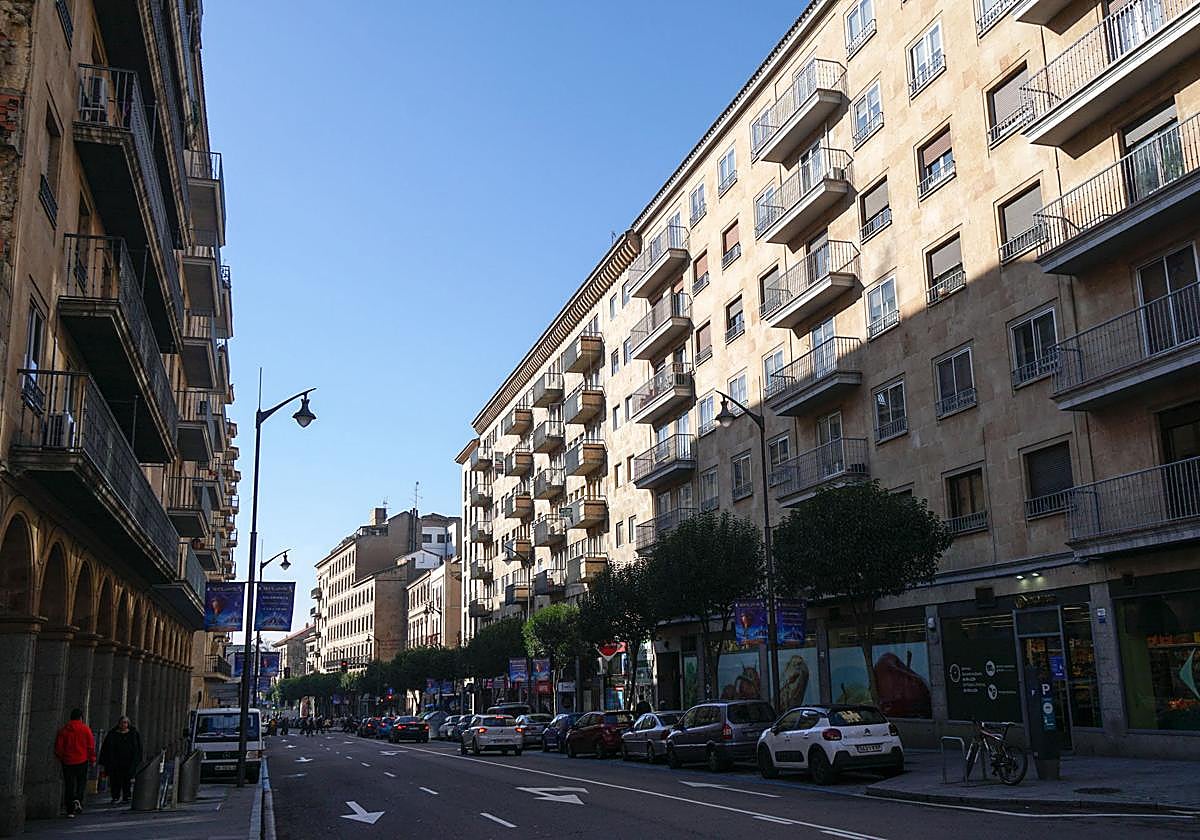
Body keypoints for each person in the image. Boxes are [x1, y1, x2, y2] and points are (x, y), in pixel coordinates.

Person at [54, 708, 96, 819]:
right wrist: (92, 759)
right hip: (82, 760)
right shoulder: (85, 729)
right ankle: (78, 799)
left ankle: (70, 810)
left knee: (69, 784)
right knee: (81, 782)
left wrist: (62, 757)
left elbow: (58, 748)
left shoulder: (64, 730)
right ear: (81, 717)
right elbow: (90, 746)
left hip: (68, 761)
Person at [99, 717, 142, 806]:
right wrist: (104, 761)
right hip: (115, 762)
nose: (124, 725)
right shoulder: (112, 734)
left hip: (128, 762)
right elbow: (106, 748)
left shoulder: (133, 734)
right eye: (122, 723)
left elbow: (138, 748)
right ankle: (115, 796)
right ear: (119, 724)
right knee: (115, 780)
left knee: (127, 779)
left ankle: (126, 796)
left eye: (126, 723)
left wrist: (137, 760)